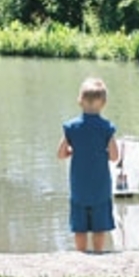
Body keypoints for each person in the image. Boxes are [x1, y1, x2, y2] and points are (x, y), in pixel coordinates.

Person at [57, 77, 119, 252]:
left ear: (80, 101)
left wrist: (73, 151)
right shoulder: (107, 127)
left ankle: (81, 256)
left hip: (79, 187)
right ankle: (98, 254)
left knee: (80, 227)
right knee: (100, 227)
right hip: (101, 187)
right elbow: (114, 156)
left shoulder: (71, 127)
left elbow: (60, 154)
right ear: (104, 103)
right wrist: (100, 153)